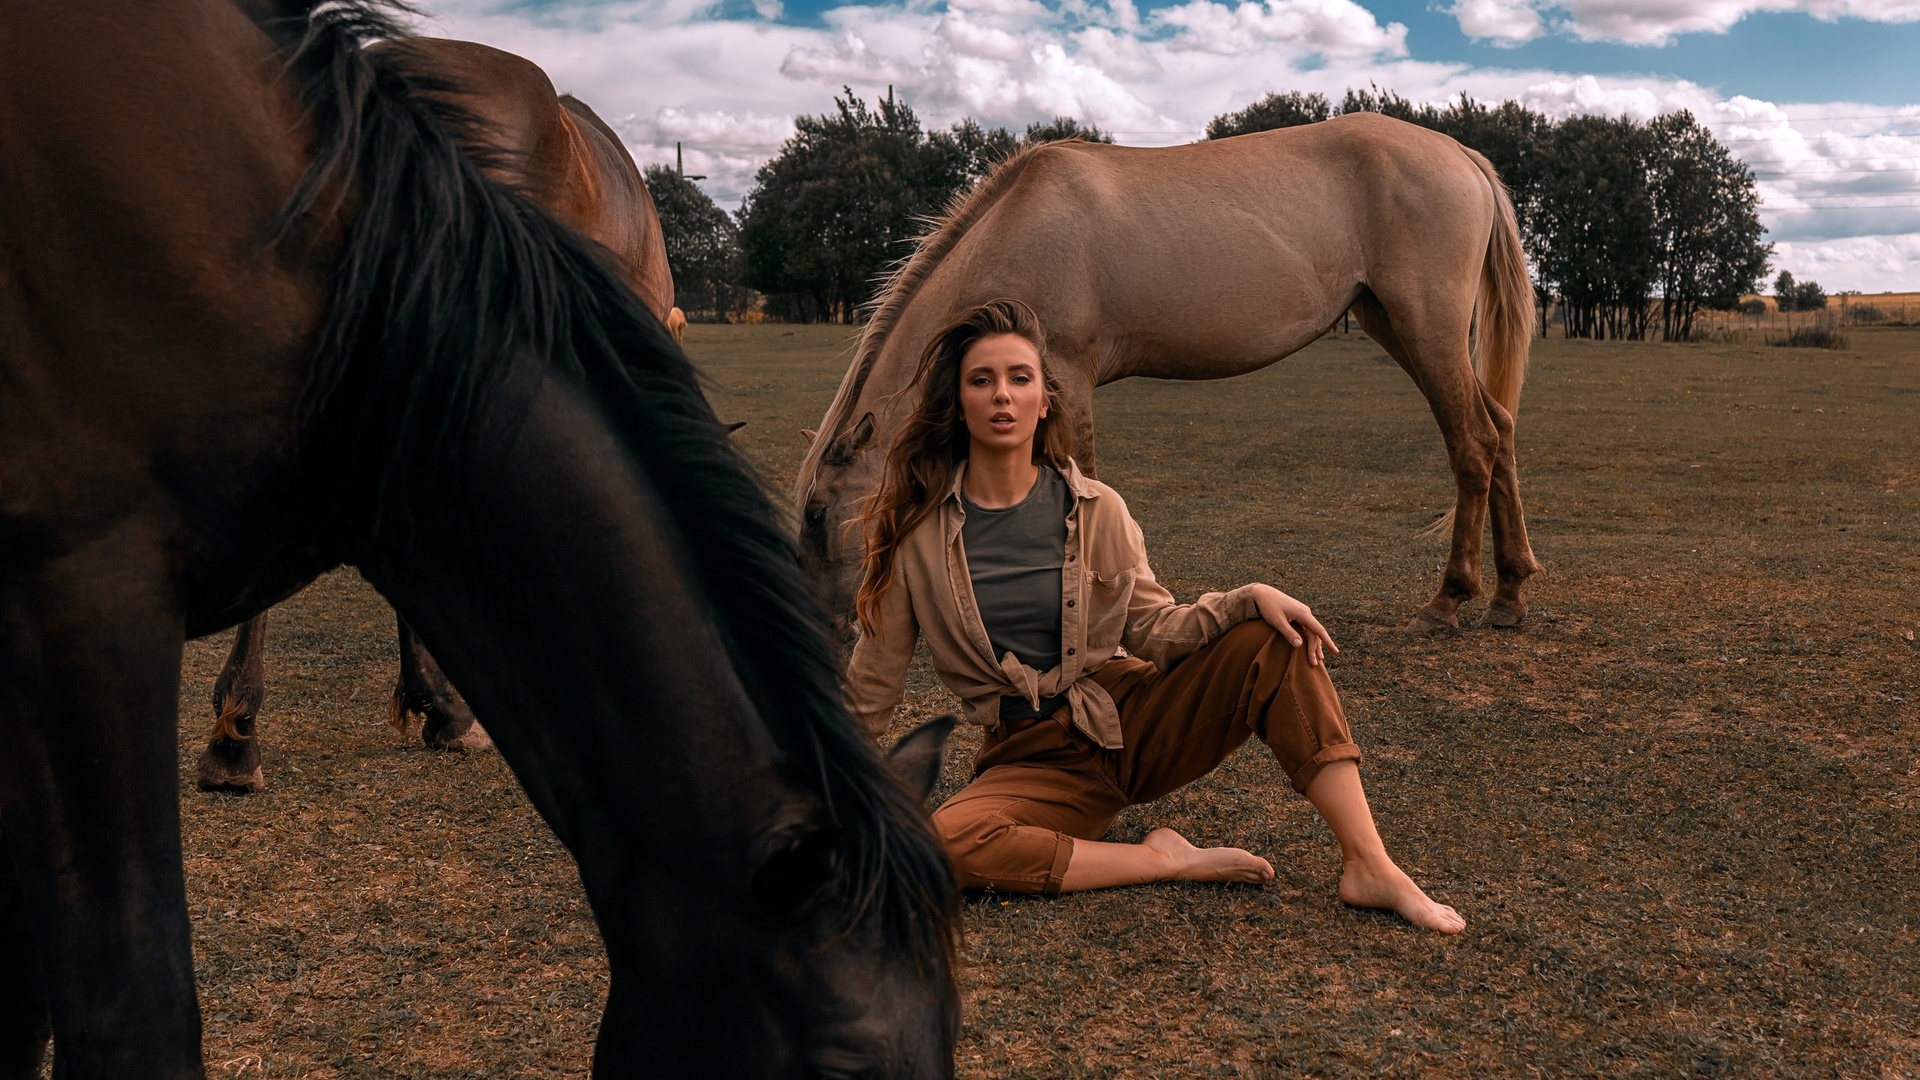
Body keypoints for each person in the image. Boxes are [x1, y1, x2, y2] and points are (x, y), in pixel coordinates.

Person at [844, 298, 1464, 932]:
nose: (1002, 395)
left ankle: (1370, 865)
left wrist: (1249, 598)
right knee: (948, 842)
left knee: (1270, 641)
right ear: (960, 400)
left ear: (1045, 399)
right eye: (982, 380)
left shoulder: (1097, 510)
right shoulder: (914, 535)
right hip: (1031, 760)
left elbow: (1154, 628)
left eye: (1019, 378)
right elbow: (873, 685)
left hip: (1128, 719)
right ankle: (1162, 859)